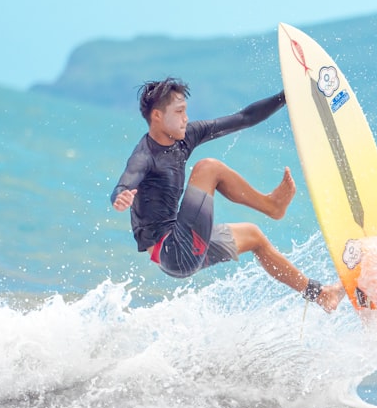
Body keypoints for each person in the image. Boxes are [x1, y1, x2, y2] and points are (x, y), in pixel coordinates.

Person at [110, 77, 344, 313]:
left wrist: (286, 97)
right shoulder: (144, 155)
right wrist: (120, 196)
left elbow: (245, 118)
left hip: (181, 252)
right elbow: (126, 180)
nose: (186, 118)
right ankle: (271, 206)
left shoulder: (185, 138)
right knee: (208, 168)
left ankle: (321, 295)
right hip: (171, 250)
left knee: (254, 236)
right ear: (157, 116)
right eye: (179, 112)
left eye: (185, 111)